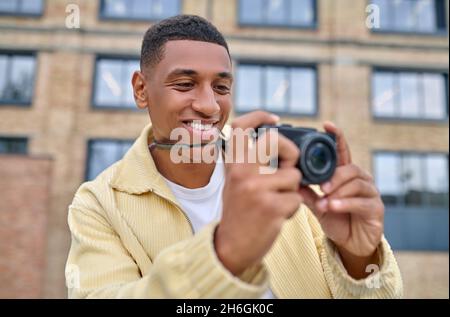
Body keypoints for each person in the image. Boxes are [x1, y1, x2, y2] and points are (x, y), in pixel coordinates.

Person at [65, 15, 403, 298]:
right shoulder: (97, 203)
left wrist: (358, 258)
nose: (210, 105)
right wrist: (225, 255)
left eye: (222, 88)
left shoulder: (288, 171)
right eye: (184, 84)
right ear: (141, 89)